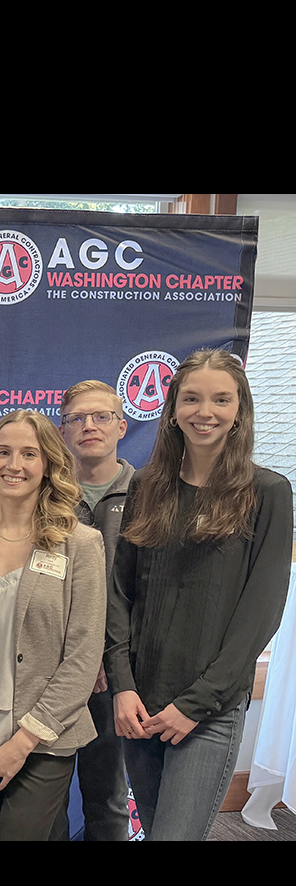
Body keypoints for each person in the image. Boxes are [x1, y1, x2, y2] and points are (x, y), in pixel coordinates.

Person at [106, 349, 292, 841]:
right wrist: (122, 686)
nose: (204, 411)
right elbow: (121, 592)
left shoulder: (268, 492)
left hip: (209, 708)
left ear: (239, 410)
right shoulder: (146, 485)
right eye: (191, 398)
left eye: (220, 399)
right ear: (172, 409)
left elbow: (262, 612)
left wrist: (197, 704)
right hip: (139, 704)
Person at [0, 410, 106, 841]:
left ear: (48, 464)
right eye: (3, 452)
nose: (14, 465)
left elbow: (84, 655)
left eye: (29, 454)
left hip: (44, 738)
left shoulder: (81, 545)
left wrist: (23, 742)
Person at [52, 379, 135, 841]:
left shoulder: (148, 494)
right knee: (46, 798)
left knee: (106, 797)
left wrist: (111, 662)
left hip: (118, 676)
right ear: (62, 432)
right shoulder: (48, 498)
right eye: (76, 418)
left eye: (100, 416)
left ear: (121, 426)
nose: (89, 426)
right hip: (53, 671)